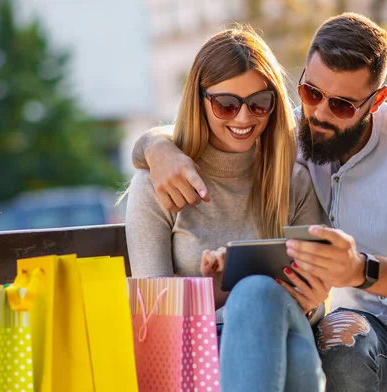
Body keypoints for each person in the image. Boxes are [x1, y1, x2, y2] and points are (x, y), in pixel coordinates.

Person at [131, 13, 387, 392]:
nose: (319, 114)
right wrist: (154, 146)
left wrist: (358, 271)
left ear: (376, 100)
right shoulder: (293, 144)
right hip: (364, 326)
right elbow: (214, 134)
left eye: (343, 105)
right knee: (339, 342)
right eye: (311, 94)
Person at [125, 25, 326, 391]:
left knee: (257, 295)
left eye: (259, 103)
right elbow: (152, 315)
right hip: (195, 351)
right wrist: (211, 290)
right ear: (199, 100)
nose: (244, 118)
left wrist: (311, 299)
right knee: (293, 354)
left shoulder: (292, 180)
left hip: (281, 329)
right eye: (226, 104)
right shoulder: (160, 183)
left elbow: (313, 305)